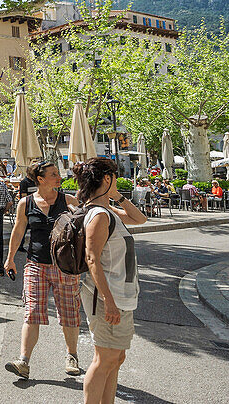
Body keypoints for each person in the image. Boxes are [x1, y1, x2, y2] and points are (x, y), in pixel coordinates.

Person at [2, 160, 82, 380]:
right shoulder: (25, 203)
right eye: (54, 174)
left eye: (58, 173)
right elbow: (18, 232)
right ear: (40, 179)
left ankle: (72, 355)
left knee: (69, 313)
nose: (59, 177)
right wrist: (10, 259)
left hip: (65, 266)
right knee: (32, 311)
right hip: (35, 264)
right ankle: (23, 361)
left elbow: (86, 222)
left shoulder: (67, 200)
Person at [76, 158, 146, 404]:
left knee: (115, 359)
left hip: (119, 294)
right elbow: (92, 259)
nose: (117, 180)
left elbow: (140, 219)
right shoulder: (99, 215)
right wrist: (109, 300)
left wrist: (117, 195)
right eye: (114, 177)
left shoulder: (106, 210)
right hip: (107, 296)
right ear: (107, 178)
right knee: (104, 359)